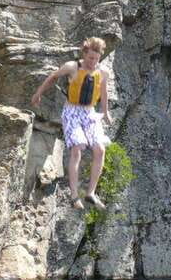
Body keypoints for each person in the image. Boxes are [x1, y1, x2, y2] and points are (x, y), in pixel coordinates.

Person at [31, 37, 112, 210]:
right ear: (85, 54)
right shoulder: (72, 66)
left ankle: (91, 193)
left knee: (100, 149)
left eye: (96, 59)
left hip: (89, 112)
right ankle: (74, 196)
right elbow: (53, 77)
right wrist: (38, 93)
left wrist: (105, 112)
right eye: (90, 58)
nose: (93, 62)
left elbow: (103, 93)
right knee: (77, 148)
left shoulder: (103, 72)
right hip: (72, 111)